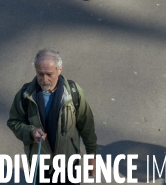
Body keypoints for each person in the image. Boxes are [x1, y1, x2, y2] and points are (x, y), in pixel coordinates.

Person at [7, 48, 99, 183]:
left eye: (49, 74)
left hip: (68, 163)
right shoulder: (25, 95)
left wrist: (92, 155)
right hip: (40, 164)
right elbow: (14, 122)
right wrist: (31, 132)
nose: (44, 79)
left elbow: (87, 125)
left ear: (60, 69)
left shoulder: (74, 93)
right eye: (40, 74)